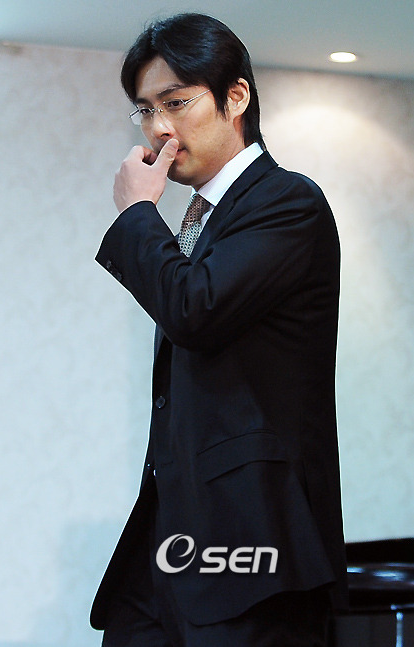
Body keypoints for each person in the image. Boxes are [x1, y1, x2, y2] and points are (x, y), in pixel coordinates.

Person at [91, 12, 347, 647]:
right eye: (145, 110)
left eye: (176, 102)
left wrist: (137, 213)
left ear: (236, 97)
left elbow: (193, 310)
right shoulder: (204, 217)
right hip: (173, 548)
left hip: (253, 550)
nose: (159, 127)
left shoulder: (287, 200)